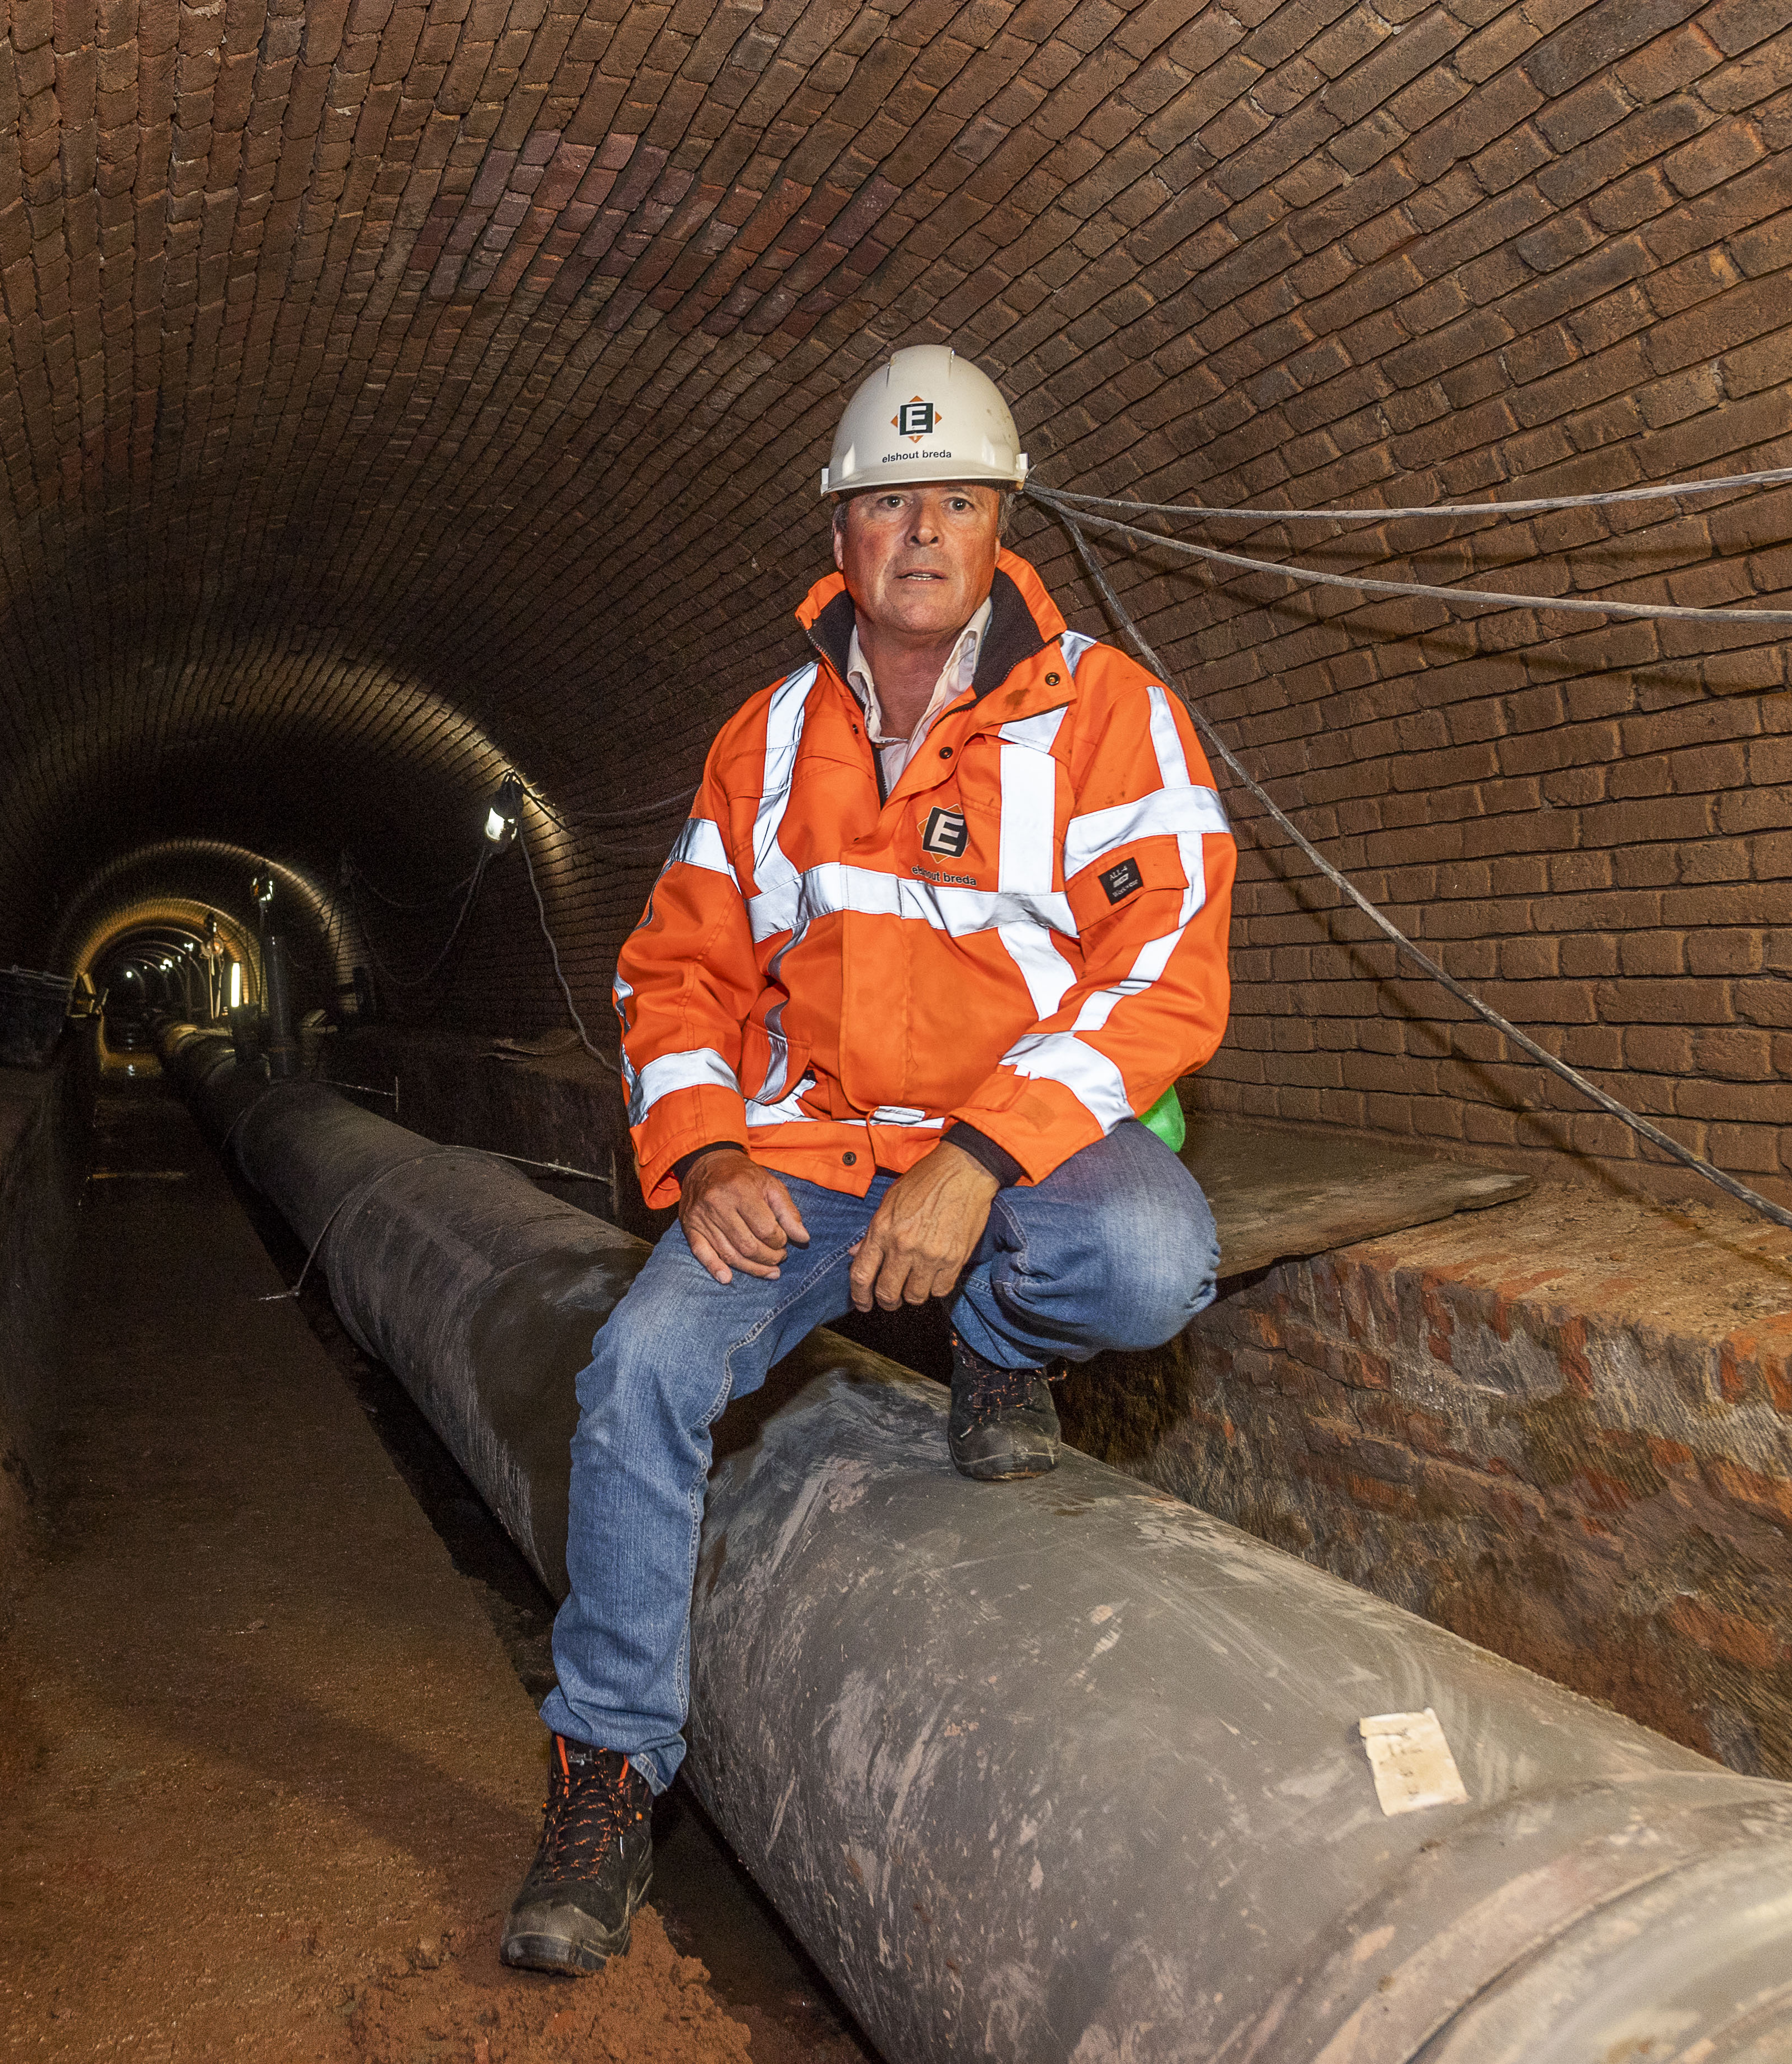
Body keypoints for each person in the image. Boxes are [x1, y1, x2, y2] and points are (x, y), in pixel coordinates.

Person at [499, 346, 1236, 1975]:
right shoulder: (764, 743)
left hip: (1018, 1145)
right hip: (811, 1153)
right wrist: (699, 1156)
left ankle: (996, 1351)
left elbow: (1169, 960)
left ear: (1002, 523)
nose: (921, 531)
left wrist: (976, 1159)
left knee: (1146, 1259)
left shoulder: (1109, 716)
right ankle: (607, 1769)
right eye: (889, 501)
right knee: (636, 1376)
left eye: (955, 501)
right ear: (837, 532)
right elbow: (673, 972)